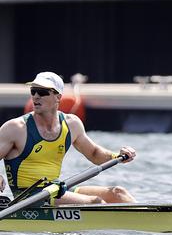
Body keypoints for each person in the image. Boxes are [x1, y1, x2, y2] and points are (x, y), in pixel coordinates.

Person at [0, 72, 137, 205]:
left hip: (55, 189)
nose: (35, 96)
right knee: (96, 202)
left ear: (58, 97)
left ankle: (150, 220)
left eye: (42, 92)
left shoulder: (72, 124)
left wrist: (118, 156)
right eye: (33, 91)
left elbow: (94, 154)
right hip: (27, 197)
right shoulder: (15, 128)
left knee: (118, 193)